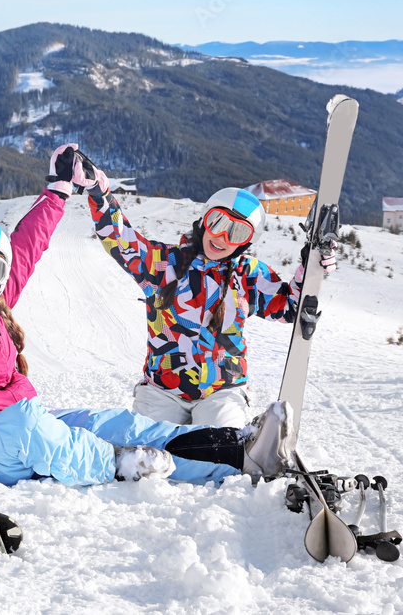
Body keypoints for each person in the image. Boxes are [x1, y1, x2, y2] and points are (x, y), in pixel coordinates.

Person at [0, 148, 297, 496]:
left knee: (113, 422)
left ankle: (237, 452)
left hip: (210, 393)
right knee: (28, 422)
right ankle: (116, 463)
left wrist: (57, 190)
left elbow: (27, 246)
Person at [54, 145, 336, 429]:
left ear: (245, 243)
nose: (223, 237)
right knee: (145, 456)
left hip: (222, 392)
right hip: (162, 389)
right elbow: (120, 240)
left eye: (237, 232)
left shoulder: (247, 275)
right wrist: (97, 190)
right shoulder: (163, 264)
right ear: (204, 219)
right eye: (218, 222)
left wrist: (311, 266)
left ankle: (245, 446)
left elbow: (290, 307)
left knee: (222, 453)